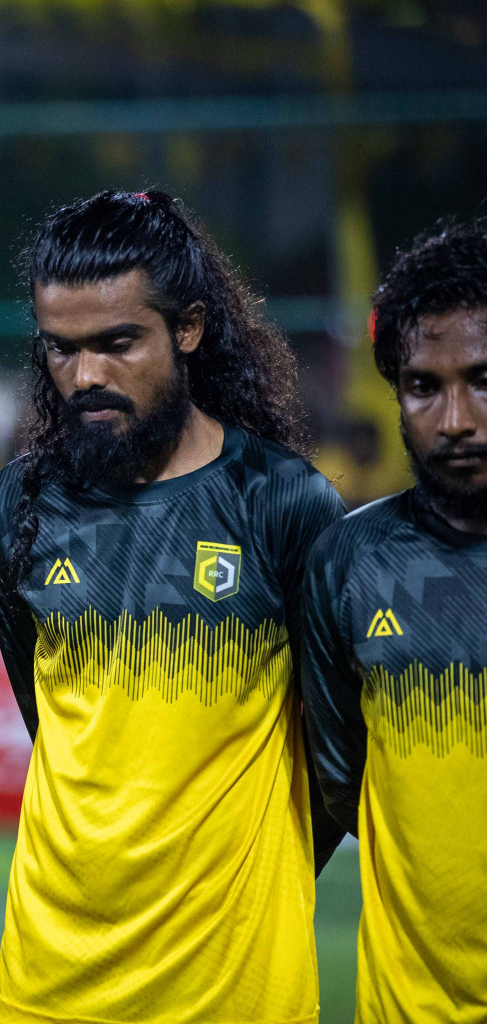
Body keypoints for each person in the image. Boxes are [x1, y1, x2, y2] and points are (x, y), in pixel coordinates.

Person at [0, 190, 346, 1024]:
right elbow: (52, 726)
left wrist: (254, 883)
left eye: (117, 343)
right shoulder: (15, 508)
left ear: (188, 327)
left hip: (237, 991)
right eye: (61, 350)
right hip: (46, 986)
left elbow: (335, 766)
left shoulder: (282, 503)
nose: (87, 377)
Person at [302, 222, 487, 1023]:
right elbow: (340, 782)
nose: (456, 420)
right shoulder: (346, 563)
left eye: (485, 379)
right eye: (423, 386)